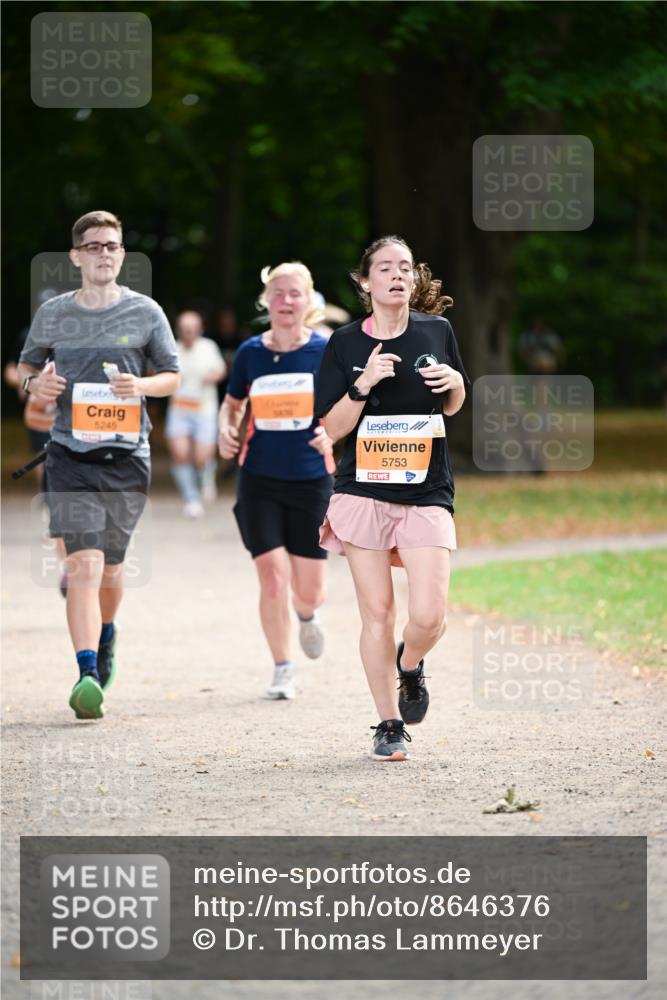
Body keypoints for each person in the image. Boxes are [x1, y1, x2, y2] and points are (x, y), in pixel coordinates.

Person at [18, 210, 180, 720]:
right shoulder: (54, 314)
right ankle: (86, 671)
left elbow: (172, 376)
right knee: (82, 564)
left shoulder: (146, 312)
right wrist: (33, 385)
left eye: (112, 245)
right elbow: (26, 366)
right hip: (69, 455)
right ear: (76, 256)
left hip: (129, 458)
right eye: (94, 246)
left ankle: (106, 634)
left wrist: (143, 387)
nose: (104, 253)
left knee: (111, 568)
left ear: (122, 255)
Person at [314, 236, 469, 761]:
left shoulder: (437, 330)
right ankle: (388, 723)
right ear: (366, 282)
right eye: (385, 268)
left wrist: (453, 383)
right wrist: (361, 387)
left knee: (429, 617)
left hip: (426, 490)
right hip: (362, 491)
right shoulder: (344, 345)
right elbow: (331, 428)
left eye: (405, 267)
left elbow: (454, 402)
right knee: (377, 612)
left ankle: (410, 663)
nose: (397, 275)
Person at [218, 262, 334, 700]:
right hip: (259, 478)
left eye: (295, 294)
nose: (286, 301)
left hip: (311, 481)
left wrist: (334, 435)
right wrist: (224, 430)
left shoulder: (325, 352)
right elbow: (231, 405)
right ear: (266, 301)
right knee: (271, 576)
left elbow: (348, 408)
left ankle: (306, 616)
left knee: (310, 592)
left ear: (308, 302)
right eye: (278, 294)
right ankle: (282, 667)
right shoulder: (250, 353)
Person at [166, 309, 226, 517]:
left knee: (201, 457)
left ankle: (206, 474)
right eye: (184, 328)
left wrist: (213, 375)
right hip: (179, 408)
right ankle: (191, 499)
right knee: (180, 454)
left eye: (192, 328)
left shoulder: (209, 347)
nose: (188, 332)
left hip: (204, 409)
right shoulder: (172, 347)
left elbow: (221, 370)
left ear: (199, 329)